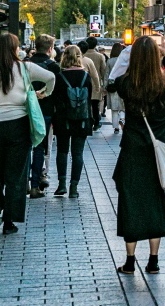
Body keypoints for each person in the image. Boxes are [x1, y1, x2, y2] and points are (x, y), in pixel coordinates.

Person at [106, 35, 165, 274]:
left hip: (132, 153)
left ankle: (129, 261)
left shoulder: (127, 85)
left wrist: (129, 54)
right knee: (155, 204)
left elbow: (114, 78)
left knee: (130, 204)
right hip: (158, 157)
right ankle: (154, 260)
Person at [0, 33, 55, 234]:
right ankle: (9, 221)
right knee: (16, 174)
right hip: (19, 125)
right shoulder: (24, 68)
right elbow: (51, 76)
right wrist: (44, 93)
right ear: (14, 49)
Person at [52, 45, 98, 198]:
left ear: (64, 57)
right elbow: (89, 98)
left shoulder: (59, 77)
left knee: (62, 151)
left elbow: (55, 100)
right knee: (78, 153)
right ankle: (74, 187)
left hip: (63, 118)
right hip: (82, 118)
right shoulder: (86, 77)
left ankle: (61, 184)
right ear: (79, 57)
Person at [27, 35, 62, 198]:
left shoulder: (25, 65)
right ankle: (35, 186)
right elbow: (58, 91)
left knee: (26, 145)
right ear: (50, 49)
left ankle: (25, 184)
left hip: (26, 108)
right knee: (40, 147)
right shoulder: (53, 67)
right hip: (46, 111)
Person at [83, 36, 108, 124]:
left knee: (86, 103)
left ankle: (88, 121)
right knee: (95, 104)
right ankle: (96, 121)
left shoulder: (83, 56)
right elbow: (104, 71)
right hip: (96, 83)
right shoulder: (100, 56)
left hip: (84, 83)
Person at [105, 42, 126, 133]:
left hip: (112, 85)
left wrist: (105, 86)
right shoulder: (124, 60)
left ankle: (116, 127)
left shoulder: (110, 61)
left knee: (114, 108)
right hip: (123, 84)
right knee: (122, 106)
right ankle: (122, 118)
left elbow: (106, 75)